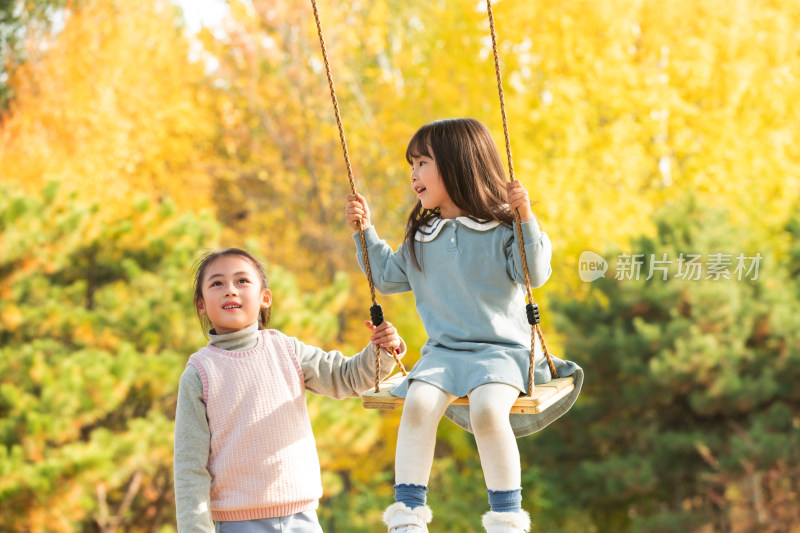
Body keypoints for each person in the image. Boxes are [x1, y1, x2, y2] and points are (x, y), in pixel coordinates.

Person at [344, 118, 583, 533]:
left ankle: (507, 518)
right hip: (443, 354)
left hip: (501, 353)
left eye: (422, 163)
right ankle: (407, 516)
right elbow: (385, 276)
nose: (413, 174)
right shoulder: (422, 236)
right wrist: (364, 231)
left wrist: (525, 215)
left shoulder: (502, 228)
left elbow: (535, 271)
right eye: (411, 165)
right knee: (417, 406)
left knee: (489, 413)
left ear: (458, 164)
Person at [174, 248, 406, 532]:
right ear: (200, 304)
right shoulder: (199, 372)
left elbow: (347, 377)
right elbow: (189, 467)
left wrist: (381, 350)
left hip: (303, 517)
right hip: (238, 524)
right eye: (217, 283)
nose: (230, 291)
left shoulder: (286, 349)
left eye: (242, 281)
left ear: (265, 297)